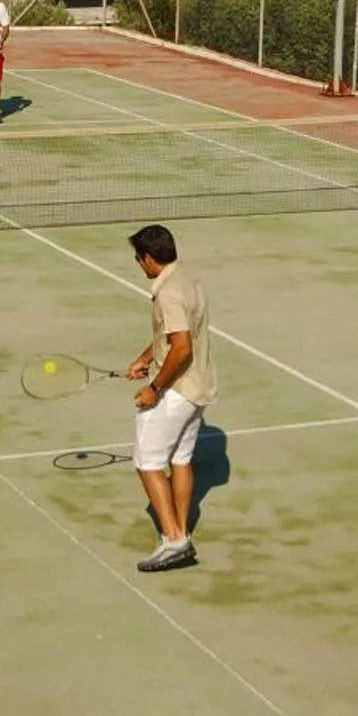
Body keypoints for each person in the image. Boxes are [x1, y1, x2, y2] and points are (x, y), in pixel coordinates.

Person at [124, 224, 216, 573]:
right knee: (180, 458)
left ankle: (175, 540)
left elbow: (181, 348)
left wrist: (154, 388)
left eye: (138, 258)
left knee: (147, 463)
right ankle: (181, 528)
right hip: (199, 388)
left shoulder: (168, 293)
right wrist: (146, 358)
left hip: (177, 391)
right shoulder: (189, 279)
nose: (138, 264)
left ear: (148, 258)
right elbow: (174, 335)